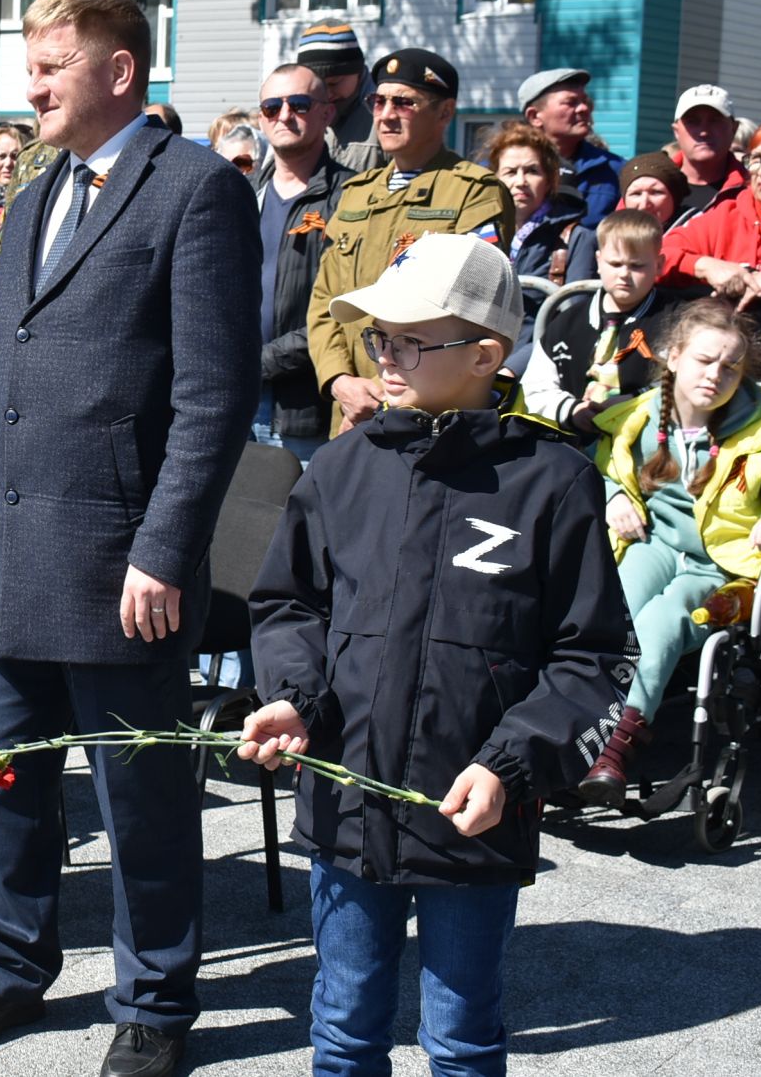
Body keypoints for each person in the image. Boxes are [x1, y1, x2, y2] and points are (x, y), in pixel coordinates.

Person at [0, 0, 260, 1077]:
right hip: (12, 551)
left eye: (54, 63)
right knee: (3, 777)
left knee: (141, 795)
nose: (32, 85)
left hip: (120, 559)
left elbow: (213, 396)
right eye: (30, 63)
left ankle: (156, 996)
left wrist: (164, 547)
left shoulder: (195, 188)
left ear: (120, 71)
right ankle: (11, 963)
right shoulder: (29, 195)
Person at [239, 232, 633, 1077]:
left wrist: (510, 764)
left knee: (461, 1040)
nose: (383, 354)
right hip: (348, 805)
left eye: (409, 339)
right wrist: (292, 698)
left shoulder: (553, 481)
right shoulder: (340, 469)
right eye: (377, 335)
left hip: (474, 819)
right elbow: (288, 605)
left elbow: (592, 655)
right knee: (343, 1031)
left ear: (487, 353)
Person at [583, 297, 761, 804]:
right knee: (609, 611)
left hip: (723, 562)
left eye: (731, 367)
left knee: (663, 622)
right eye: (704, 360)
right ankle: (577, 729)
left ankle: (613, 749)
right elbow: (591, 466)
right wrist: (615, 494)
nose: (717, 374)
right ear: (672, 357)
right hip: (653, 542)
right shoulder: (639, 418)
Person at [308, 48, 516, 437]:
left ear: (445, 112)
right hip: (352, 414)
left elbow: (472, 310)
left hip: (430, 418)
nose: (386, 114)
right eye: (379, 101)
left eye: (404, 102)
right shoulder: (355, 193)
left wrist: (393, 389)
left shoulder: (473, 193)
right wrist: (340, 381)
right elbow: (324, 301)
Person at [661, 106, 761, 383]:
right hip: (726, 386)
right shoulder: (727, 215)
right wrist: (705, 266)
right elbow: (656, 255)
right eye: (755, 159)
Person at [251, 63, 353, 461]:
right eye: (272, 106)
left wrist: (257, 363)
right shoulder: (240, 195)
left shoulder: (352, 197)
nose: (284, 116)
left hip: (307, 411)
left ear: (327, 112)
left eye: (299, 104)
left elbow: (342, 309)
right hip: (237, 405)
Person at [522, 208, 675, 436]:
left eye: (637, 266)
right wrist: (571, 410)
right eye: (615, 264)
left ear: (659, 264)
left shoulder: (679, 322)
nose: (624, 274)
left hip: (645, 439)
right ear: (598, 261)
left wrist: (633, 403)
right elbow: (535, 387)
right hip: (572, 444)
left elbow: (686, 384)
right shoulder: (567, 323)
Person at [487, 121, 594, 373]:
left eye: (532, 171)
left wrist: (512, 368)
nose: (521, 181)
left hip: (536, 370)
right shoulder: (479, 232)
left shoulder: (577, 238)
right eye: (510, 172)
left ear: (550, 180)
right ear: (495, 178)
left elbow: (571, 320)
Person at [519, 67, 623, 224]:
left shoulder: (614, 170)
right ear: (534, 116)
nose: (584, 108)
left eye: (584, 101)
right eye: (571, 103)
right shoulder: (501, 171)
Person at [294, 17, 385, 172]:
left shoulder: (384, 112)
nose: (327, 94)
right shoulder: (295, 111)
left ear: (357, 72)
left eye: (334, 83)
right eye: (318, 85)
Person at [670, 84, 747, 223]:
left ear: (734, 129)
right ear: (676, 131)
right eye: (693, 122)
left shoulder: (753, 189)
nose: (704, 132)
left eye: (714, 121)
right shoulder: (649, 187)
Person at [618, 151, 688, 229]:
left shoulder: (694, 236)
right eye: (636, 194)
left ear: (675, 199)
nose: (644, 204)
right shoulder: (613, 237)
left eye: (656, 192)